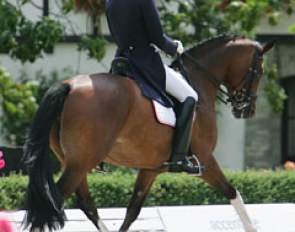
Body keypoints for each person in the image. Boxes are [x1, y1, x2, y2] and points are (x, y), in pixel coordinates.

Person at [106, 0, 202, 174]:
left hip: (122, 61)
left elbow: (115, 34)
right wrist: (175, 47)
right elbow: (157, 37)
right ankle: (179, 159)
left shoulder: (110, 2)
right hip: (145, 62)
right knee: (190, 96)